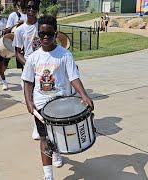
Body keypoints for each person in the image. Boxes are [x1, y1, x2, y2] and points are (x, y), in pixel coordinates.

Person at [21, 15, 94, 180]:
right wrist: (29, 102)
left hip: (61, 105)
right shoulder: (33, 58)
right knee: (44, 138)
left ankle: (57, 153)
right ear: (38, 34)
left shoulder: (65, 55)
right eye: (41, 34)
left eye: (49, 33)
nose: (45, 37)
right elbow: (28, 82)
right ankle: (48, 175)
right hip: (41, 106)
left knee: (60, 137)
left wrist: (84, 95)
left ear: (56, 33)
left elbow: (74, 77)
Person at [13, 0, 41, 140]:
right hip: (29, 66)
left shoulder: (42, 25)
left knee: (43, 96)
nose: (31, 9)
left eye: (34, 7)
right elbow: (17, 52)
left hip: (44, 66)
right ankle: (36, 125)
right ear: (24, 9)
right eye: (28, 7)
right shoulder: (20, 30)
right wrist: (28, 65)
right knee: (31, 98)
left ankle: (41, 125)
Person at [6, 0, 27, 70]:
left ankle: (24, 78)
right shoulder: (13, 15)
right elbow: (7, 30)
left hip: (26, 41)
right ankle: (1, 74)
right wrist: (17, 25)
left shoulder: (29, 14)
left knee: (25, 61)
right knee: (6, 61)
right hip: (15, 41)